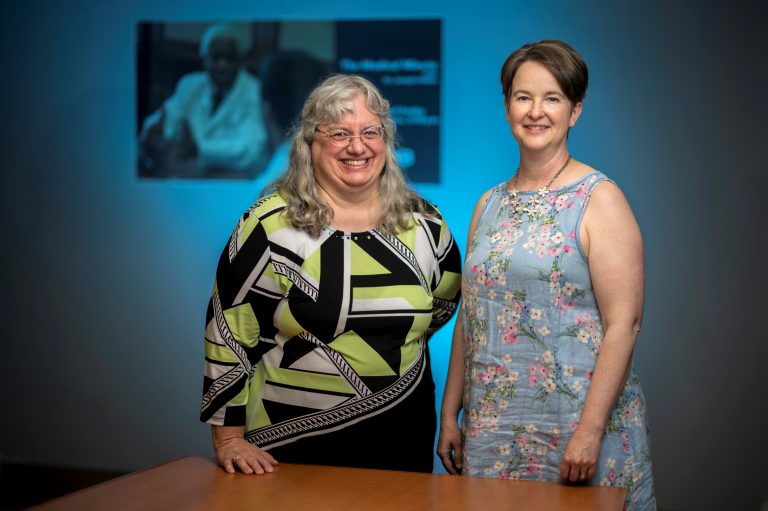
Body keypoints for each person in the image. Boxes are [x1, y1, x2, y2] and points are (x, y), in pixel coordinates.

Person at [200, 74, 462, 474]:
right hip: (286, 442)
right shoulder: (270, 225)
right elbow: (229, 329)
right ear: (310, 144)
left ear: (386, 142)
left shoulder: (425, 223)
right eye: (339, 133)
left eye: (370, 132)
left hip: (403, 433)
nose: (357, 146)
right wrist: (229, 437)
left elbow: (441, 306)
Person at [437, 40, 656, 509]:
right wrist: (449, 412)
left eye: (552, 98)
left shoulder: (600, 200)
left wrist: (590, 431)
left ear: (575, 111)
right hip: (492, 432)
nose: (536, 111)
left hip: (575, 430)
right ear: (507, 106)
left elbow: (625, 324)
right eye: (523, 97)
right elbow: (471, 314)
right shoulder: (488, 204)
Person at [139, 24, 269, 178]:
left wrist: (198, 149)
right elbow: (167, 120)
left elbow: (249, 150)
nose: (222, 65)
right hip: (188, 177)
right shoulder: (190, 85)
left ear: (241, 60)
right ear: (204, 59)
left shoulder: (255, 91)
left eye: (230, 58)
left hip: (233, 182)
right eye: (216, 58)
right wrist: (152, 130)